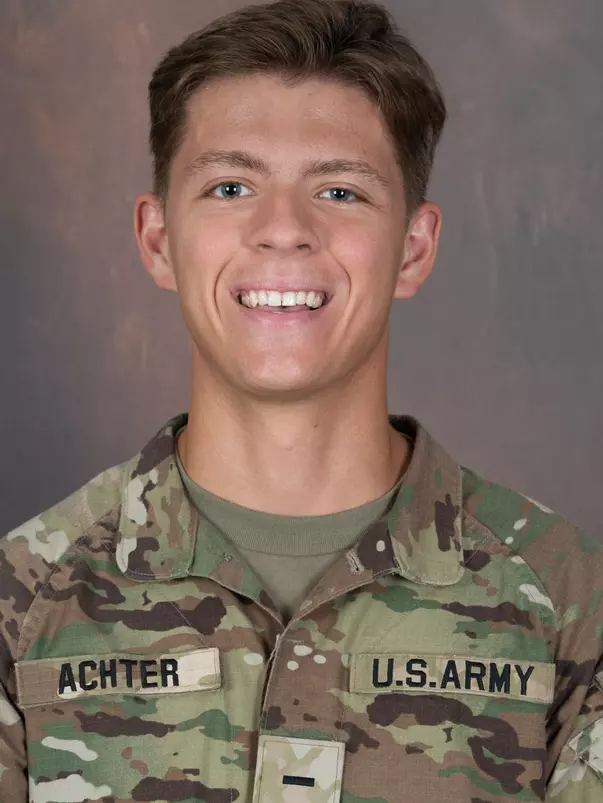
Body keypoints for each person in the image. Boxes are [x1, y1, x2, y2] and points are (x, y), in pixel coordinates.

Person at [1, 0, 601, 800]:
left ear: (413, 249)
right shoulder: (22, 602)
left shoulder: (570, 604)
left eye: (340, 192)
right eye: (230, 186)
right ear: (158, 240)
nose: (282, 228)